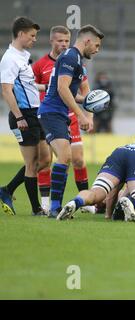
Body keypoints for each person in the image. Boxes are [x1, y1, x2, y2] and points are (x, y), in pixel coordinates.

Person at [38, 24, 104, 218]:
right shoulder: (69, 57)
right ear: (87, 41)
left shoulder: (76, 60)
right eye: (97, 46)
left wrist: (92, 106)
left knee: (66, 158)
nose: (97, 50)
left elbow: (77, 93)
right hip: (51, 113)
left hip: (58, 114)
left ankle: (55, 207)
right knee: (64, 157)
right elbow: (62, 88)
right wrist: (81, 115)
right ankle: (54, 207)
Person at [0, 17, 45, 216]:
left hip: (36, 113)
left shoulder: (23, 56)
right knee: (32, 164)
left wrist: (50, 88)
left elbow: (27, 85)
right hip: (24, 116)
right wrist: (19, 117)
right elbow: (6, 90)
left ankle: (7, 190)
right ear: (20, 34)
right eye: (32, 35)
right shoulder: (10, 58)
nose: (34, 39)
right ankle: (36, 209)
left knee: (44, 159)